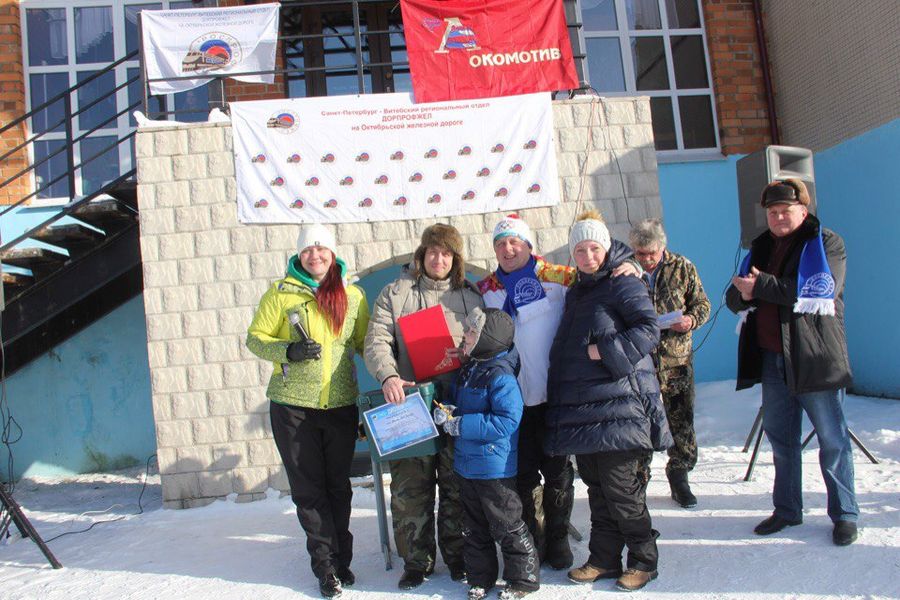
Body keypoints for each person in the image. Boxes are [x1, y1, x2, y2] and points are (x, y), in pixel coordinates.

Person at [477, 214, 639, 570]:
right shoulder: (485, 289)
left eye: (514, 241)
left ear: (528, 245)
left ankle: (559, 538)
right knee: (522, 477)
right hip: (513, 400)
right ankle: (531, 541)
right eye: (500, 243)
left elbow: (601, 277)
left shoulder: (559, 276)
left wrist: (629, 266)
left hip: (556, 395)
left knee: (559, 474)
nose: (507, 249)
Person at [726, 178, 858, 546]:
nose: (779, 216)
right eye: (772, 211)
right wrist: (743, 294)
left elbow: (819, 288)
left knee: (832, 440)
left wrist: (760, 287)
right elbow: (734, 295)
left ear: (804, 210)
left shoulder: (825, 243)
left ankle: (844, 514)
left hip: (815, 359)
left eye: (786, 210)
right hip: (772, 360)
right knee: (781, 441)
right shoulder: (762, 246)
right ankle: (787, 509)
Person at [545, 211, 671, 592]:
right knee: (598, 492)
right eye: (579, 249)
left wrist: (608, 350)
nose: (587, 256)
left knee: (622, 492)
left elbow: (650, 329)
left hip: (620, 410)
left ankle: (644, 560)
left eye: (593, 247)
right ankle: (603, 558)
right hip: (587, 412)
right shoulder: (578, 290)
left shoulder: (622, 282)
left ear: (605, 247)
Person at [245, 224, 370, 598]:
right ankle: (325, 568)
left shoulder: (354, 296)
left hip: (340, 405)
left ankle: (342, 559)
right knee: (308, 488)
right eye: (308, 251)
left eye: (322, 250)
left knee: (338, 487)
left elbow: (366, 343)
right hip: (292, 408)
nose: (314, 256)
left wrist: (396, 371)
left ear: (334, 255)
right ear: (299, 256)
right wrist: (288, 351)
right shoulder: (281, 294)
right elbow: (256, 338)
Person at [364, 223, 484, 588]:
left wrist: (466, 355)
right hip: (410, 405)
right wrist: (387, 376)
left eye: (446, 253)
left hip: (454, 405)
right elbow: (377, 340)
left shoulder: (470, 296)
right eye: (432, 251)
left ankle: (459, 555)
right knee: (410, 488)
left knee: (455, 485)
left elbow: (485, 342)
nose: (438, 258)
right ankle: (416, 561)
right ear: (421, 254)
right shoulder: (395, 293)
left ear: (456, 258)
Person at [434, 307, 540, 600]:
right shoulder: (471, 369)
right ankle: (480, 578)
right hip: (467, 465)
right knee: (474, 526)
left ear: (487, 338)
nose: (464, 336)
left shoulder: (501, 376)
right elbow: (461, 403)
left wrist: (462, 424)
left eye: (471, 332)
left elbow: (507, 420)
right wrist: (448, 411)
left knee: (506, 523)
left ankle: (523, 579)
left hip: (494, 468)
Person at [629, 219, 711, 508]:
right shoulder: (628, 271)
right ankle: (639, 479)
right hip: (640, 362)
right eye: (640, 253)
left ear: (662, 246)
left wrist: (690, 321)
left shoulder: (682, 266)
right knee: (642, 421)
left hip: (676, 358)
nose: (647, 259)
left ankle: (680, 475)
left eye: (651, 253)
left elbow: (702, 304)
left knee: (681, 420)